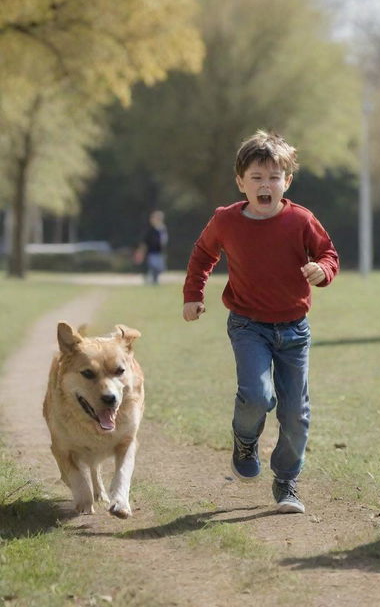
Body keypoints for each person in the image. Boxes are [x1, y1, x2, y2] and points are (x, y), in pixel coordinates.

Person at [182, 130, 339, 514]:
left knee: (295, 413)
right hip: (248, 324)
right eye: (256, 178)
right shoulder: (226, 221)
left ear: (287, 181)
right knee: (257, 396)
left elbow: (328, 252)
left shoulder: (301, 219)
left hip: (294, 329)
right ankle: (245, 439)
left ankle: (286, 481)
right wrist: (193, 296)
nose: (265, 185)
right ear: (241, 183)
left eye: (274, 177)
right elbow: (203, 254)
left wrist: (322, 270)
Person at [136, 210, 168, 285]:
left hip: (159, 252)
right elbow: (144, 242)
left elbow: (164, 241)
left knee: (160, 269)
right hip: (151, 252)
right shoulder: (150, 230)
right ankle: (152, 281)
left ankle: (152, 280)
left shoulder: (162, 229)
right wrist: (141, 251)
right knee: (153, 267)